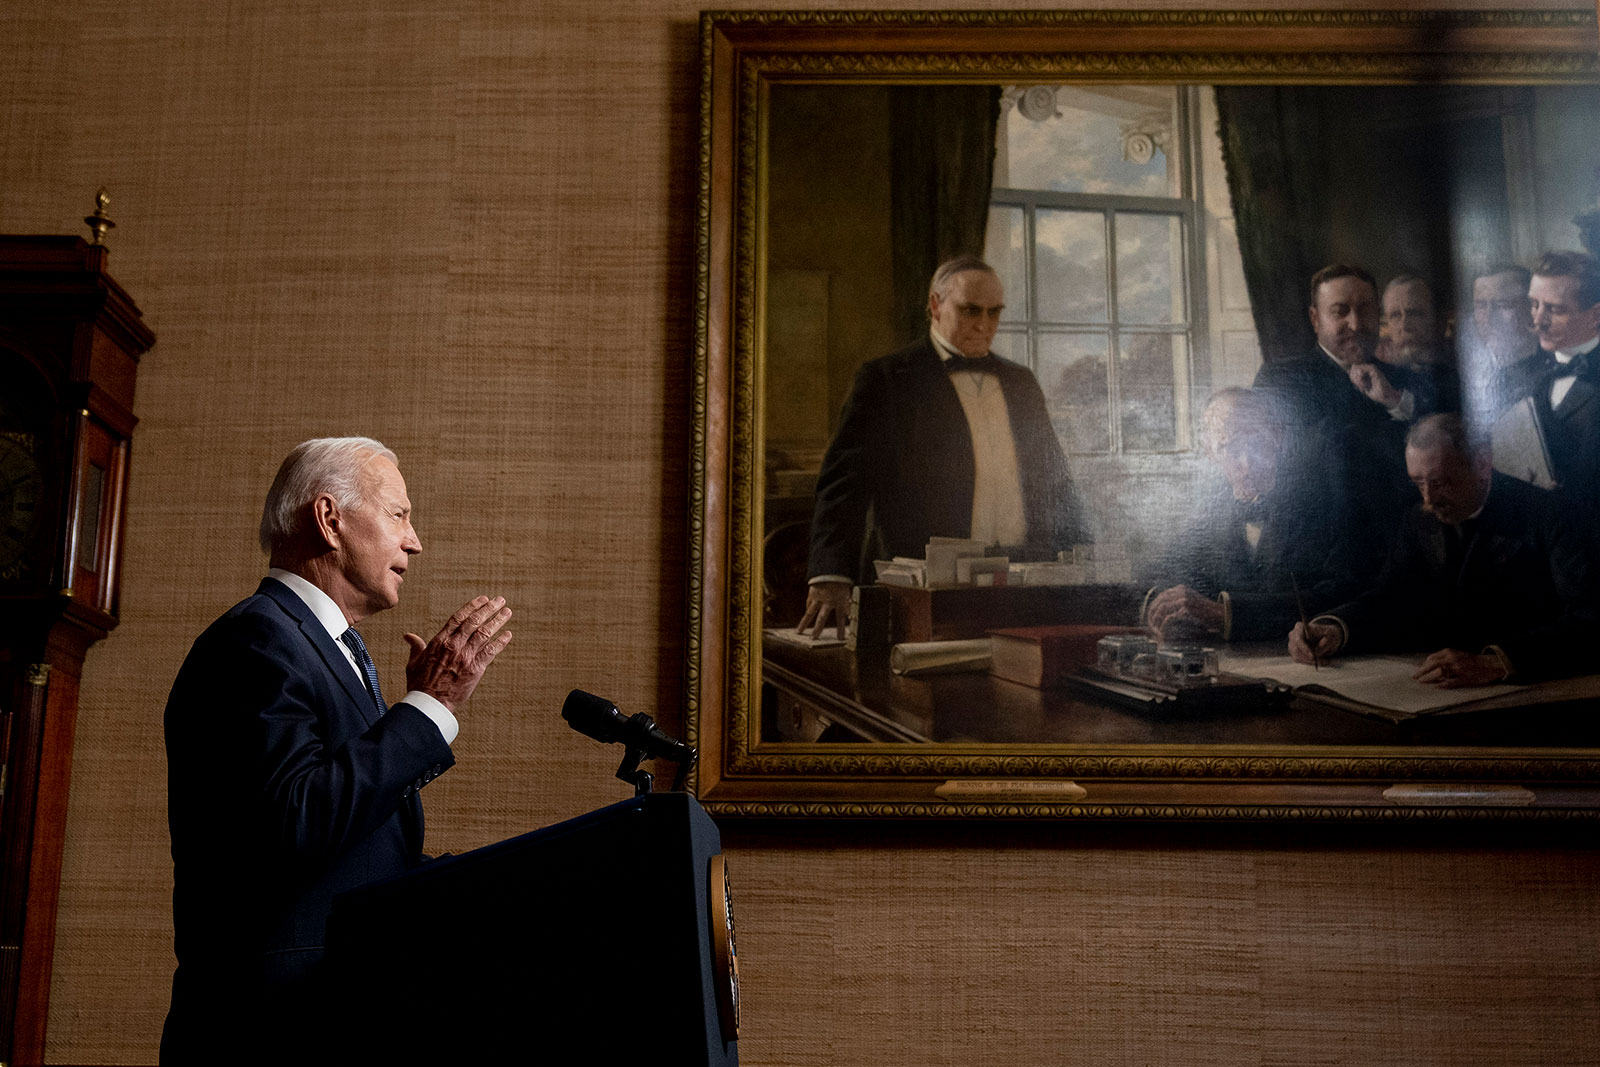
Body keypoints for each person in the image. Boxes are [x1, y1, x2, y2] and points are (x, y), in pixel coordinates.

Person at [160, 437, 514, 1065]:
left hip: (333, 1016)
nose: (415, 541)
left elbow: (354, 851)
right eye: (399, 515)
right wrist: (429, 708)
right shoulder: (259, 639)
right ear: (329, 520)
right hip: (270, 1032)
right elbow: (299, 820)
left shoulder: (325, 649)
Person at [798, 256, 1082, 637]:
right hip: (924, 591)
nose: (984, 325)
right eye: (970, 311)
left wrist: (1086, 557)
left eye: (994, 313)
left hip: (1023, 586)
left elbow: (1055, 481)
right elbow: (843, 486)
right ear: (935, 304)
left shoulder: (1021, 383)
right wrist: (831, 573)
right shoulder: (886, 380)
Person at [1289, 414, 1598, 686]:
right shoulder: (1418, 520)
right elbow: (1391, 597)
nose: (1428, 500)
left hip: (1537, 691)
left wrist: (1499, 661)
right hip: (1445, 690)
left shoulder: (1551, 516)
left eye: (1440, 483)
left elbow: (1590, 618)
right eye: (1418, 483)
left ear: (1482, 464)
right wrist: (1335, 628)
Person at [1143, 388, 1366, 643]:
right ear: (1210, 451)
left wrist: (1225, 613)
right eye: (1232, 449)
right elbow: (1166, 573)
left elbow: (1338, 594)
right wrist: (1162, 609)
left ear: (1279, 438)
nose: (1248, 465)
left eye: (1258, 445)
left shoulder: (1323, 505)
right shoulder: (1208, 515)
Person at [1514, 250, 1600, 527]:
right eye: (1534, 305)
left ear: (1595, 315)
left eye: (1554, 309)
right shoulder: (1527, 372)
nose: (1538, 320)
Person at [1462, 263, 1547, 422]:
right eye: (1480, 306)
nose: (1488, 318)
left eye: (1503, 305)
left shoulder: (1554, 368)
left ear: (1531, 307)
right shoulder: (1467, 370)